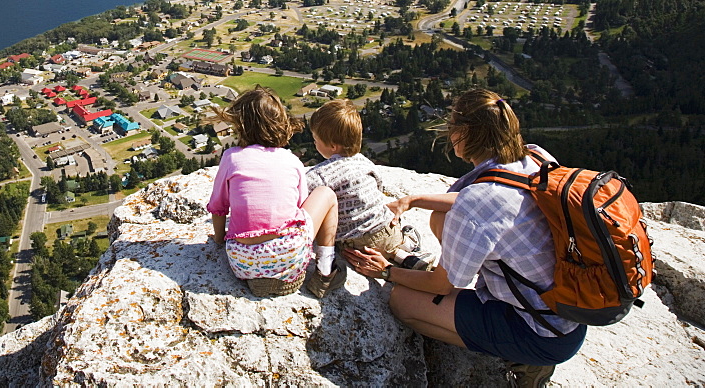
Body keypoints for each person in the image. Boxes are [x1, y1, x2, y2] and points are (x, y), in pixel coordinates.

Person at [343, 89, 586, 388]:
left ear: (465, 133)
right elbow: (491, 200)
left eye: (451, 127)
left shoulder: (478, 200)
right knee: (440, 215)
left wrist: (387, 271)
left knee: (401, 302)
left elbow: (443, 285)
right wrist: (416, 199)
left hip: (538, 332)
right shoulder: (534, 157)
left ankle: (524, 362)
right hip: (568, 313)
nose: (448, 133)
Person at [207, 86, 343, 298]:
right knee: (326, 193)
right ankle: (325, 271)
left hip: (242, 261)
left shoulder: (231, 157)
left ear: (241, 125)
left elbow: (218, 206)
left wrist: (218, 240)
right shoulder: (292, 161)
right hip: (289, 256)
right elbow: (299, 210)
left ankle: (262, 276)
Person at [306, 99, 433, 275]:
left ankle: (402, 255)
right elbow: (378, 188)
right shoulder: (365, 162)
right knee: (392, 244)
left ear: (333, 146)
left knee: (353, 243)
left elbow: (306, 201)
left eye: (315, 140)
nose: (314, 144)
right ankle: (407, 256)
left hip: (355, 243)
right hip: (387, 228)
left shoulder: (319, 174)